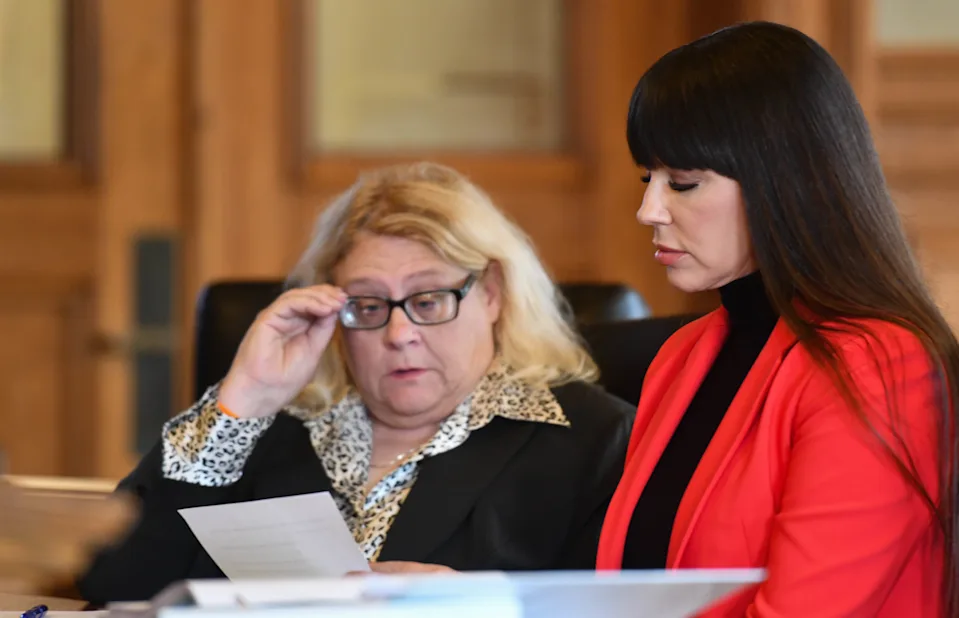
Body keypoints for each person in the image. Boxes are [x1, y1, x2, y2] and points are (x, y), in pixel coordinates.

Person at [77, 162, 634, 605]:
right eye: (367, 305)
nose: (399, 334)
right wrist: (243, 402)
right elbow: (115, 585)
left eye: (428, 300)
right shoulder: (268, 427)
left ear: (491, 293)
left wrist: (486, 604)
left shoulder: (594, 441)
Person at [595, 21, 959, 617]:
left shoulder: (876, 363)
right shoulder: (682, 355)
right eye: (647, 178)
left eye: (683, 182)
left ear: (786, 181)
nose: (648, 209)